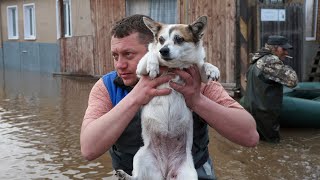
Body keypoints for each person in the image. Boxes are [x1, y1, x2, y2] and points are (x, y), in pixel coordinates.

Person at [80, 14, 259, 179]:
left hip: (187, 169)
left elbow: (250, 136)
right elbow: (89, 149)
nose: (120, 65)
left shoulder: (195, 79)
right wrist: (135, 98)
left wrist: (196, 100)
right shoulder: (108, 86)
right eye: (115, 56)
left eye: (128, 54)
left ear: (155, 48)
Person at [241, 35, 298, 143]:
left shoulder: (256, 59)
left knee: (255, 143)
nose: (286, 53)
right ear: (275, 48)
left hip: (250, 111)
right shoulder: (271, 61)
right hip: (265, 115)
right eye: (284, 49)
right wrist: (284, 65)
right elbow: (293, 81)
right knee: (271, 146)